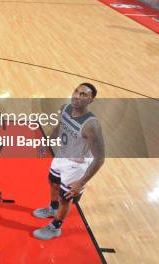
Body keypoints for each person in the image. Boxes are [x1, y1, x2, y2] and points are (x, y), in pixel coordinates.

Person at [32, 83, 105, 240]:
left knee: (65, 197)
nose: (77, 96)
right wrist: (47, 142)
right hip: (62, 155)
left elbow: (100, 158)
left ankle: (55, 227)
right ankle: (52, 208)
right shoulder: (65, 108)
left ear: (91, 100)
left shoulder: (91, 125)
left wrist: (81, 182)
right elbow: (60, 126)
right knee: (52, 181)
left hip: (77, 165)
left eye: (83, 95)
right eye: (76, 91)